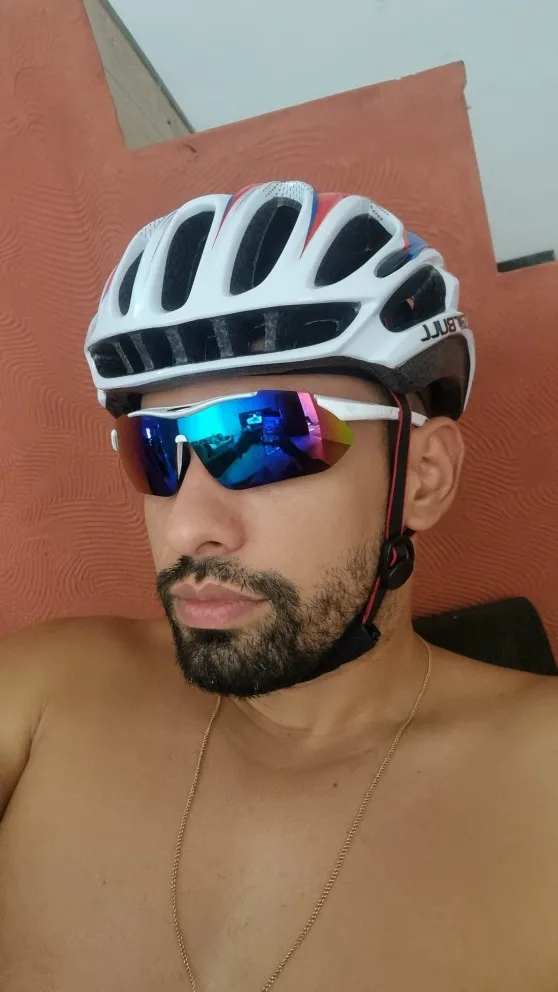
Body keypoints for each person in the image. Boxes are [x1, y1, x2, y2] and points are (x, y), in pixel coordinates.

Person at [0, 181, 557, 992]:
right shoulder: (47, 690)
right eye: (154, 450)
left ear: (423, 476)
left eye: (265, 438)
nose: (189, 528)